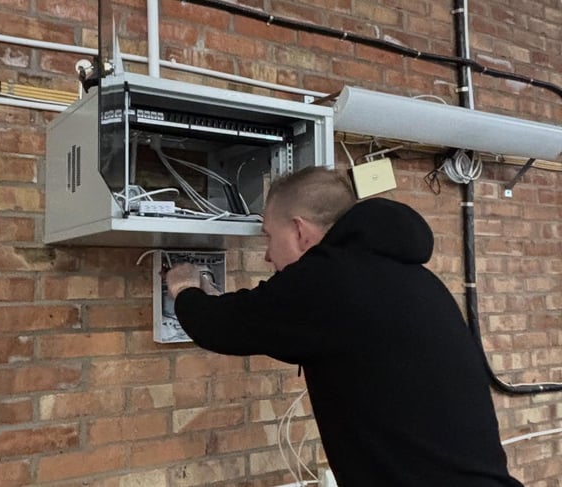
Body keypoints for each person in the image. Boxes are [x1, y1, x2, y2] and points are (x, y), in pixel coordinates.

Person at [165, 167, 523, 487]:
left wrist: (184, 286)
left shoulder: (328, 280)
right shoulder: (416, 279)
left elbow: (221, 326)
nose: (268, 255)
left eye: (268, 237)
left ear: (299, 230)